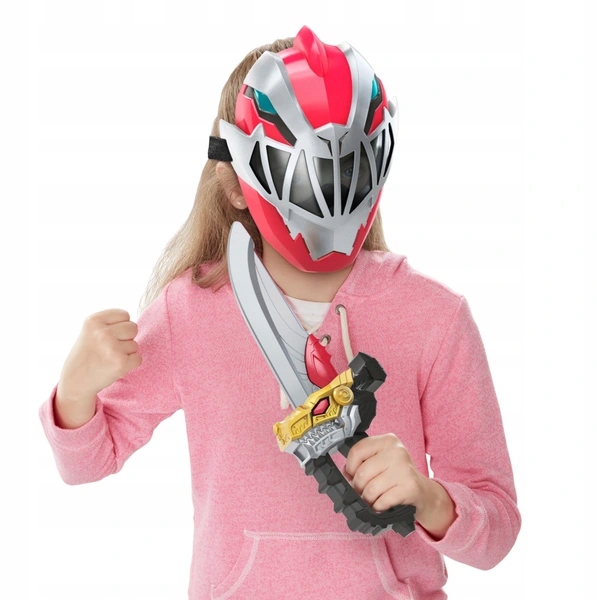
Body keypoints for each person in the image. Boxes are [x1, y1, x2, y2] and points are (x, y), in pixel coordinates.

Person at [39, 26, 521, 599]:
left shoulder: (433, 317)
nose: (328, 189)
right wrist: (75, 392)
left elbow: (497, 531)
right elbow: (88, 464)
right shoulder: (192, 312)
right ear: (234, 185)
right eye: (306, 171)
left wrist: (429, 498)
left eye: (344, 170)